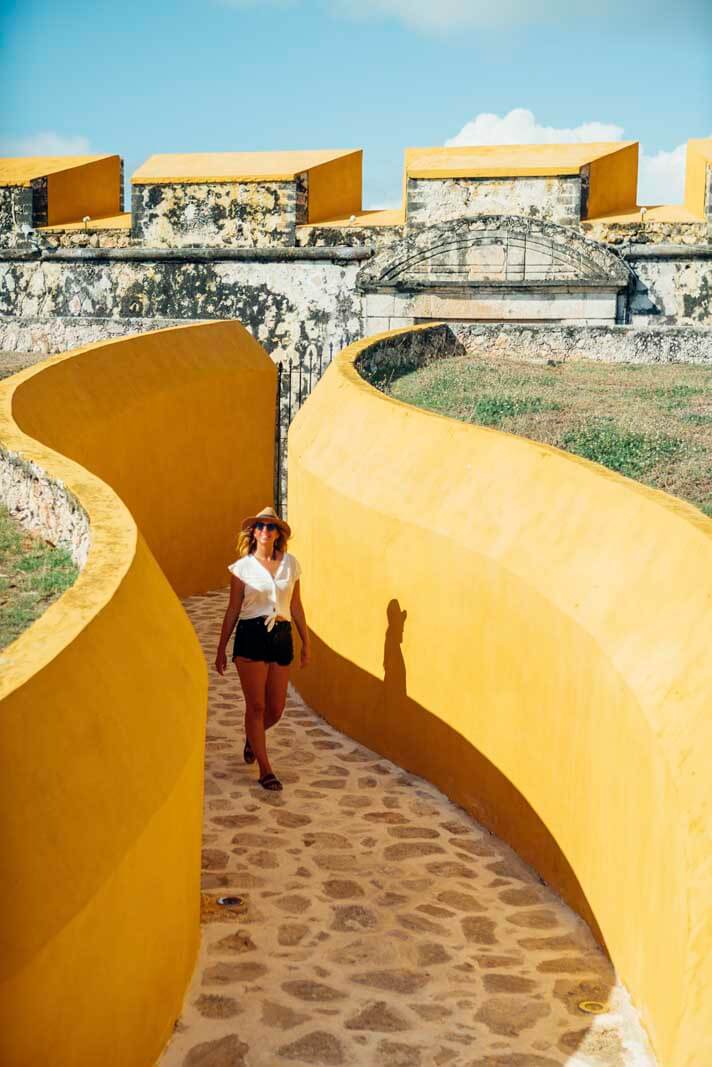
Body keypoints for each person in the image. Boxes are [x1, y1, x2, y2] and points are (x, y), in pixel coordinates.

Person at [215, 507, 310, 791]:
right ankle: (265, 769)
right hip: (251, 634)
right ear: (253, 533)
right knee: (256, 706)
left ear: (278, 534)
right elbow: (233, 609)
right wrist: (221, 648)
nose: (266, 531)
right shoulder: (241, 568)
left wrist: (306, 642)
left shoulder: (291, 564)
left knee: (276, 708)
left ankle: (251, 738)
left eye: (271, 527)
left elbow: (295, 605)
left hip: (281, 635)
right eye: (261, 527)